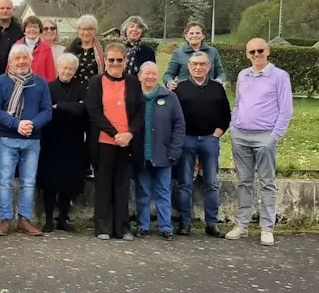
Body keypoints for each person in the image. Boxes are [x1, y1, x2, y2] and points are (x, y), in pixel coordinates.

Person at [225, 38, 294, 246]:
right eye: (252, 52)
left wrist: (274, 137)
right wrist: (233, 127)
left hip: (265, 136)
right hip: (241, 135)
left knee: (267, 183)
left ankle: (266, 228)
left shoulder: (279, 76)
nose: (256, 55)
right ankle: (242, 225)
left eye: (260, 50)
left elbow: (286, 110)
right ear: (247, 54)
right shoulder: (243, 75)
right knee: (244, 182)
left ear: (268, 51)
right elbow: (238, 103)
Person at [0, 44, 52, 237]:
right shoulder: (0, 82)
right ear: (10, 62)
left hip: (32, 140)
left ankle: (24, 219)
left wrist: (31, 124)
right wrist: (17, 124)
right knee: (5, 181)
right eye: (17, 58)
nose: (22, 61)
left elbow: (47, 110)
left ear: (31, 60)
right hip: (8, 138)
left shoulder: (40, 83)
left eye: (25, 58)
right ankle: (5, 219)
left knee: (29, 182)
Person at [87, 43, 144, 241]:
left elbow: (140, 112)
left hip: (127, 142)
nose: (115, 63)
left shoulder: (133, 82)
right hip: (104, 141)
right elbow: (93, 111)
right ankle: (103, 227)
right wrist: (114, 133)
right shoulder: (96, 82)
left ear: (125, 61)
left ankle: (122, 228)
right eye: (111, 60)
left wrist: (129, 134)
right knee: (103, 185)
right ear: (105, 61)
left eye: (119, 60)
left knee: (122, 185)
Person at [173, 51, 231, 238]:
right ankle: (185, 222)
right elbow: (174, 116)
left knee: (211, 183)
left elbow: (226, 115)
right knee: (184, 182)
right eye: (194, 64)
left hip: (209, 139)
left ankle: (211, 223)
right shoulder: (179, 88)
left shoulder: (217, 88)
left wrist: (217, 134)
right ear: (189, 66)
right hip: (187, 140)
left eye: (202, 64)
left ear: (208, 67)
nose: (198, 67)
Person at [133, 62, 185, 240]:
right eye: (146, 74)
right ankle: (143, 226)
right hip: (141, 155)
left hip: (163, 154)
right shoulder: (134, 97)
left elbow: (179, 124)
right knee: (143, 192)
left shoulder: (170, 97)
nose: (150, 77)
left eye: (154, 74)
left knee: (164, 192)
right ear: (139, 76)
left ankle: (166, 227)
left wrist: (175, 150)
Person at [39, 53, 88, 232]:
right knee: (50, 181)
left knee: (69, 181)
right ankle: (49, 220)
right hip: (51, 138)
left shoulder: (82, 88)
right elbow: (46, 110)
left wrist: (59, 107)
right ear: (58, 68)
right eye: (64, 67)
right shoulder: (48, 87)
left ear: (75, 70)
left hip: (74, 140)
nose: (67, 71)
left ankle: (62, 219)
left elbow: (84, 110)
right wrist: (72, 108)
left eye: (71, 69)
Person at [165, 22, 227, 88]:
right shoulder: (178, 53)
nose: (194, 36)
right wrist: (169, 82)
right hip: (185, 92)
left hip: (209, 91)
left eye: (197, 33)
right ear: (186, 36)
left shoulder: (212, 51)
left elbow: (221, 73)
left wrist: (219, 81)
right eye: (191, 33)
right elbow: (168, 74)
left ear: (203, 36)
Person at [14, 16, 57, 83]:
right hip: (18, 86)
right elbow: (9, 69)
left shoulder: (46, 48)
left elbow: (50, 74)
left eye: (35, 27)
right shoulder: (16, 46)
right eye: (29, 27)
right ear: (24, 30)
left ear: (40, 30)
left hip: (39, 88)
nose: (32, 29)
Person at [66, 15, 104, 87]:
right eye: (83, 29)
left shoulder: (102, 50)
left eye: (90, 29)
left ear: (95, 31)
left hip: (94, 91)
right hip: (74, 90)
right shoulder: (71, 49)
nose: (86, 32)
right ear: (78, 31)